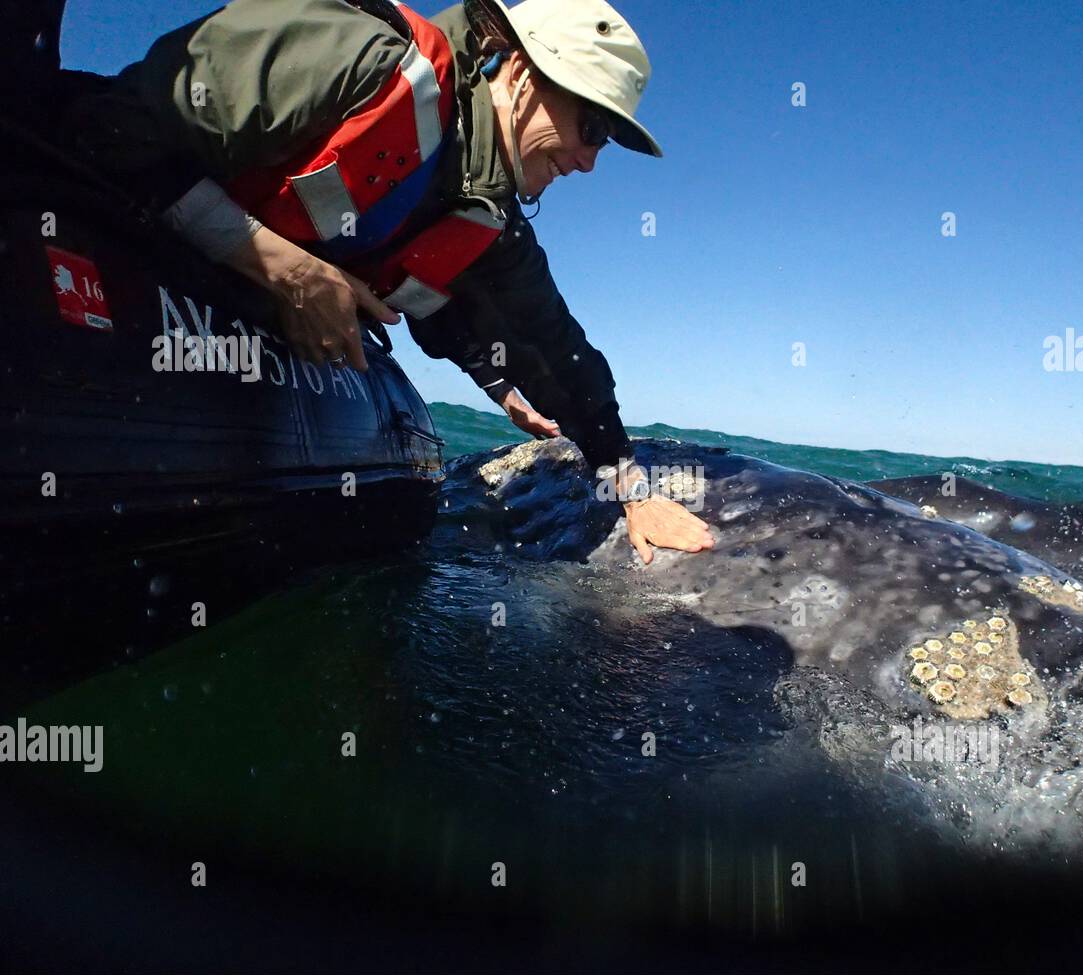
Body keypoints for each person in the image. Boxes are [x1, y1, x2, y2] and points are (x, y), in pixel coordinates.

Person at [66, 0, 713, 563]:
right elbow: (110, 126)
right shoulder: (362, 58)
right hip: (106, 252)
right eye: (591, 128)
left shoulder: (491, 223)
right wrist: (283, 269)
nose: (589, 162)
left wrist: (626, 485)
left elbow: (553, 345)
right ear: (521, 71)